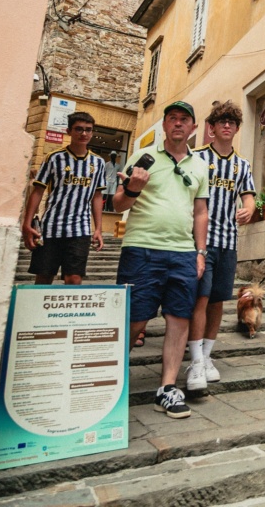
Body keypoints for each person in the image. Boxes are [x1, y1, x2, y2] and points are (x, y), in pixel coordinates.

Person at [114, 101, 210, 419]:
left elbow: (200, 212)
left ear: (193, 128)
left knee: (179, 319)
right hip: (141, 249)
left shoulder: (199, 167)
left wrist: (200, 252)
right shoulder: (144, 158)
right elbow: (117, 203)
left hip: (183, 253)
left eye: (185, 119)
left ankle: (167, 388)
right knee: (134, 318)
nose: (178, 124)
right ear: (164, 126)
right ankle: (111, 378)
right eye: (173, 119)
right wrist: (132, 188)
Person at [185, 101, 255, 390]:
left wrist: (249, 208)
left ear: (237, 129)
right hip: (198, 241)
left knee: (217, 301)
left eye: (232, 122)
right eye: (221, 121)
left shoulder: (243, 164)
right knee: (199, 299)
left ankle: (206, 356)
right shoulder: (196, 156)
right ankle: (195, 362)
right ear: (211, 128)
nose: (227, 125)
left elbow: (248, 195)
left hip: (228, 242)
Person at [21, 112, 105, 285]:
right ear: (69, 131)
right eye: (79, 129)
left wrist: (98, 229)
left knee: (74, 278)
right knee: (44, 277)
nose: (84, 134)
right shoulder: (54, 158)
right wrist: (27, 223)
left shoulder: (98, 163)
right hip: (51, 227)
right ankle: (40, 312)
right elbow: (38, 191)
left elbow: (97, 196)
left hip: (80, 229)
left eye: (88, 130)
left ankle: (68, 312)